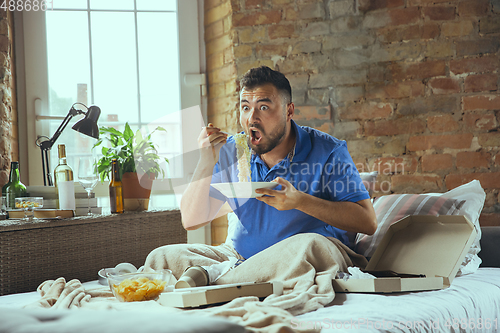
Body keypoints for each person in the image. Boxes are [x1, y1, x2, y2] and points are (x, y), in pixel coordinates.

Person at [146, 66, 376, 276]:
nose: (251, 119)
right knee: (162, 257)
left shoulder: (328, 151)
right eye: (246, 108)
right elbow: (191, 220)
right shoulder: (231, 151)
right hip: (238, 257)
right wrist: (206, 160)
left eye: (263, 107)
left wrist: (300, 201)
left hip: (303, 258)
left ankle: (220, 279)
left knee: (310, 246)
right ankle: (233, 276)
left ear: (288, 111)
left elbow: (367, 222)